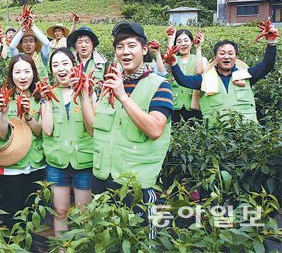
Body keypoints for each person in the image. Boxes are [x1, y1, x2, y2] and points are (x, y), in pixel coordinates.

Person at [81, 22, 173, 215]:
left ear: (144, 49)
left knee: (138, 239)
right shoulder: (111, 84)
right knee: (103, 238)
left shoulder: (160, 86)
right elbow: (92, 129)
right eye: (120, 47)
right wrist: (84, 95)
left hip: (137, 183)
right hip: (103, 177)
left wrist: (123, 96)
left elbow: (155, 129)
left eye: (132, 46)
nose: (125, 52)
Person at [40, 47, 94, 237]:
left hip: (84, 161)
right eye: (55, 65)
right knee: (60, 211)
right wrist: (46, 101)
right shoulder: (48, 94)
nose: (60, 68)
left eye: (65, 63)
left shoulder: (87, 91)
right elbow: (46, 129)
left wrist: (85, 95)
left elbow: (92, 128)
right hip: (57, 162)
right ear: (51, 70)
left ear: (74, 65)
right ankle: (62, 248)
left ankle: (82, 248)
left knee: (84, 214)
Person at [170, 35, 277, 127]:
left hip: (246, 132)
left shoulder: (246, 75)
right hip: (217, 135)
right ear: (216, 57)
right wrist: (174, 64)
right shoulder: (206, 79)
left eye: (230, 53)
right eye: (222, 53)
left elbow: (266, 66)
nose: (227, 56)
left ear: (236, 57)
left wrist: (271, 44)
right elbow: (184, 81)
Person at [0, 54, 45, 228]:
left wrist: (28, 116)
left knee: (32, 210)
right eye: (18, 72)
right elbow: (1, 136)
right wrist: (4, 113)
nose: (23, 77)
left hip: (36, 162)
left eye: (27, 71)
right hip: (11, 165)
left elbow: (40, 133)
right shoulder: (2, 98)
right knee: (12, 209)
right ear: (11, 75)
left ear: (33, 73)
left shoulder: (40, 98)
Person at [164, 27, 208, 122]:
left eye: (186, 40)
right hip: (174, 104)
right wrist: (171, 40)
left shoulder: (200, 58)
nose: (182, 44)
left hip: (193, 104)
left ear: (191, 42)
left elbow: (199, 71)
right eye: (179, 41)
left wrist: (199, 47)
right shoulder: (173, 60)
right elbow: (166, 66)